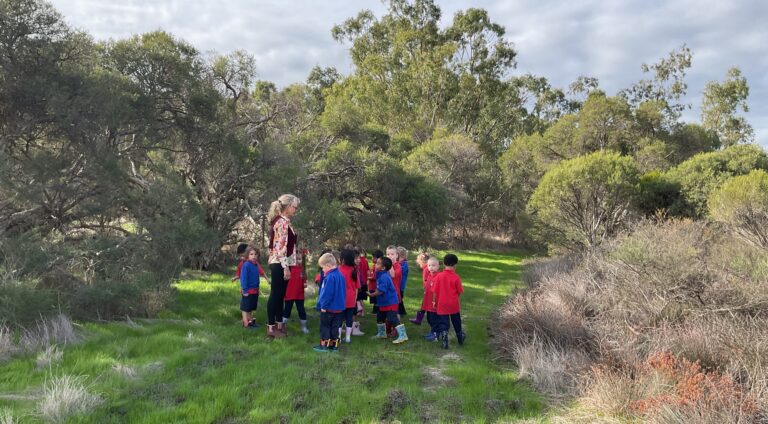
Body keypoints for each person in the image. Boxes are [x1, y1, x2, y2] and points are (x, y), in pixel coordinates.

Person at [267, 194, 300, 338]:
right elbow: (280, 247)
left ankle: (279, 325)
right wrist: (285, 267)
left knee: (281, 295)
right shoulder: (281, 222)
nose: (296, 210)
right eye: (294, 207)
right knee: (275, 295)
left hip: (283, 262)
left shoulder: (285, 221)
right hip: (280, 263)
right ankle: (271, 328)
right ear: (287, 207)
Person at [368, 257, 408, 344]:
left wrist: (372, 295)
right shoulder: (379, 274)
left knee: (392, 319)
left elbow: (381, 291)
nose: (375, 265)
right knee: (380, 318)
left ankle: (403, 335)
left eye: (378, 264)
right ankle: (382, 333)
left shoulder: (384, 277)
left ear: (383, 268)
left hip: (390, 302)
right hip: (383, 303)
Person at [314, 253, 346, 353]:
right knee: (335, 327)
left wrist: (323, 305)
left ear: (328, 265)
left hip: (328, 308)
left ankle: (324, 345)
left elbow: (327, 294)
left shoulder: (329, 277)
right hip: (338, 308)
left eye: (323, 268)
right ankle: (334, 346)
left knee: (325, 326)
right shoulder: (340, 275)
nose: (323, 270)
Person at [433, 254, 465, 349]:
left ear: (443, 263)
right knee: (456, 321)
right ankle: (460, 337)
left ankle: (444, 342)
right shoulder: (456, 277)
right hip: (453, 304)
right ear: (455, 265)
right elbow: (459, 291)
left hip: (442, 304)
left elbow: (435, 291)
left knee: (443, 322)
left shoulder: (439, 276)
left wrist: (434, 301)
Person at [282, 248, 309, 334]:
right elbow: (285, 279)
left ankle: (304, 327)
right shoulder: (289, 268)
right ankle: (283, 327)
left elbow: (305, 280)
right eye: (296, 259)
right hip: (289, 293)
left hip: (299, 294)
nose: (298, 261)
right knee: (287, 310)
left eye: (300, 259)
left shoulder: (303, 269)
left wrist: (305, 283)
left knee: (301, 310)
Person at [338, 249, 361, 343]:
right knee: (349, 318)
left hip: (340, 299)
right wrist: (355, 299)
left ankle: (338, 338)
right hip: (351, 299)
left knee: (339, 319)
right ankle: (348, 338)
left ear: (342, 259)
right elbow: (357, 287)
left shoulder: (338, 270)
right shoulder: (354, 271)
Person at [239, 246, 263, 330]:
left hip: (254, 291)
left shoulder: (256, 265)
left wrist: (258, 289)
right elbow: (243, 278)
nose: (254, 256)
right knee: (245, 308)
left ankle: (250, 321)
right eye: (251, 254)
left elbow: (256, 278)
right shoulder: (246, 265)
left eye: (255, 254)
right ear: (247, 255)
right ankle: (245, 323)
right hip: (247, 291)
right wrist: (245, 290)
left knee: (250, 307)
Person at [409, 251, 431, 325]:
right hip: (430, 290)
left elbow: (427, 281)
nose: (418, 264)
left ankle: (419, 320)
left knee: (425, 305)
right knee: (424, 305)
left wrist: (426, 289)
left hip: (429, 291)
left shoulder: (426, 269)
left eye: (419, 262)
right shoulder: (428, 268)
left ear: (423, 261)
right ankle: (419, 319)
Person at [385, 246, 403, 337]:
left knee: (394, 314)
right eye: (388, 254)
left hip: (394, 294)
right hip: (386, 294)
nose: (390, 256)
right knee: (387, 314)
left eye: (392, 254)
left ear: (397, 256)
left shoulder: (398, 266)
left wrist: (390, 265)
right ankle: (389, 330)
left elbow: (393, 275)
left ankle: (399, 331)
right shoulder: (385, 266)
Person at [422, 257, 441, 342]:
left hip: (434, 303)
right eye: (429, 265)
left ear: (438, 266)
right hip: (428, 302)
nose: (431, 267)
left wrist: (436, 301)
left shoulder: (439, 277)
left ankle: (436, 335)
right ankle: (432, 332)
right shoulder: (429, 275)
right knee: (429, 318)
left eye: (433, 265)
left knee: (434, 319)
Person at [397, 246, 409, 317]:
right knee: (399, 298)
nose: (398, 259)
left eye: (400, 257)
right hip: (397, 284)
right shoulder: (400, 264)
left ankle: (400, 312)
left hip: (401, 285)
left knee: (399, 298)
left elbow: (401, 271)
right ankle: (402, 312)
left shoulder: (405, 264)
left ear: (404, 257)